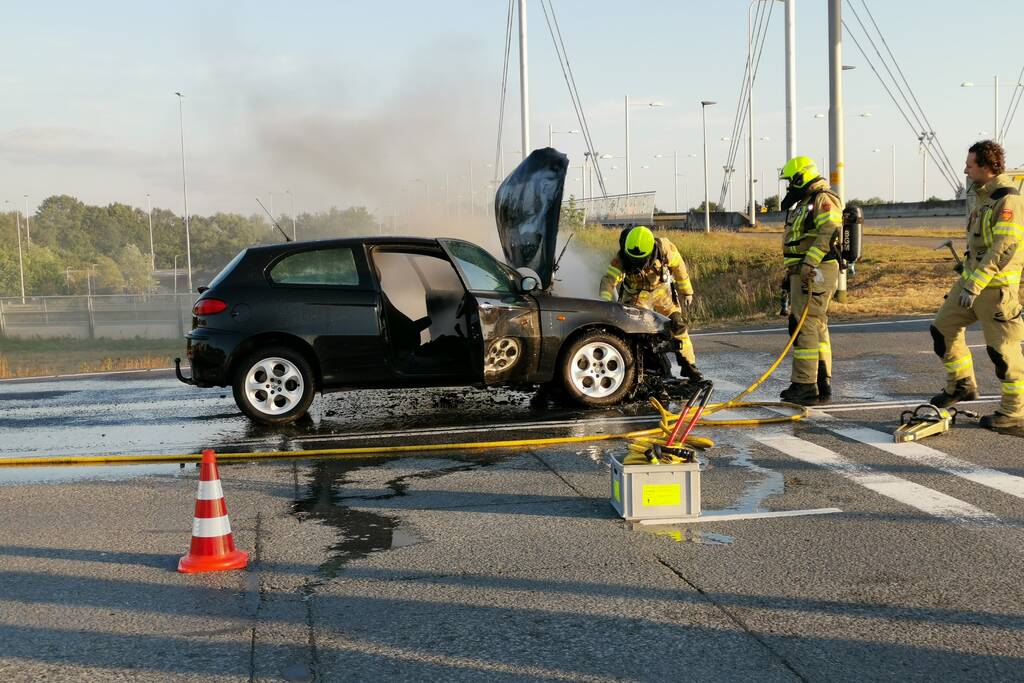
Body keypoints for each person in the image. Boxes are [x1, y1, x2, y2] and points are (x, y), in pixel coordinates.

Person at [929, 140, 1024, 430]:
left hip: (995, 290)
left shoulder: (1008, 199)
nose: (965, 170)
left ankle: (1014, 412)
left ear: (986, 166)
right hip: (971, 283)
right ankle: (961, 384)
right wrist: (967, 279)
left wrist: (975, 285)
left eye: (970, 165)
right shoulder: (983, 197)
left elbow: (1003, 249)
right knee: (942, 329)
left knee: (1003, 353)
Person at [777, 156, 843, 405]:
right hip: (804, 272)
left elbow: (829, 231)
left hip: (816, 271)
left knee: (805, 326)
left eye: (790, 181)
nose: (788, 187)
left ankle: (805, 385)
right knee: (816, 325)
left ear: (801, 177)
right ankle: (821, 380)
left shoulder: (823, 199)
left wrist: (808, 263)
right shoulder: (807, 202)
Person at [598, 226, 701, 380]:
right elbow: (608, 280)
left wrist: (687, 291)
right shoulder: (621, 259)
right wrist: (605, 302)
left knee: (678, 326)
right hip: (635, 298)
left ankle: (688, 365)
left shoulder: (664, 249)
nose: (636, 263)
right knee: (638, 335)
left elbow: (679, 267)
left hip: (661, 295)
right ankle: (646, 370)